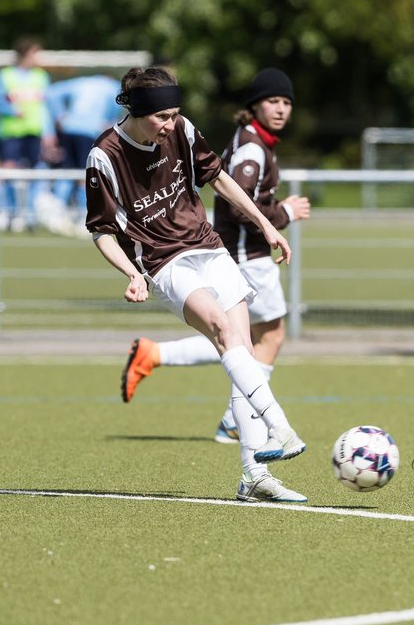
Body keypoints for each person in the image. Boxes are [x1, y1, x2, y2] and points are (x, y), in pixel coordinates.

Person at [86, 66, 308, 504]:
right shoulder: (104, 156)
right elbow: (101, 230)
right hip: (163, 262)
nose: (169, 125)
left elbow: (219, 178)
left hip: (210, 247)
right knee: (223, 331)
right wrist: (131, 273)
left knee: (241, 351)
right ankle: (280, 425)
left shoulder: (182, 130)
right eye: (161, 118)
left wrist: (268, 225)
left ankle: (254, 476)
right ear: (136, 111)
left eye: (174, 115)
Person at [0, 37, 54, 231]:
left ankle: (28, 213)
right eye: (36, 53)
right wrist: (13, 110)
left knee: (35, 172)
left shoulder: (41, 77)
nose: (38, 58)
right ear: (26, 54)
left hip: (33, 131)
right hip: (11, 131)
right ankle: (9, 212)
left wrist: (49, 132)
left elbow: (45, 107)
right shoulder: (6, 75)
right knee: (8, 171)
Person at [46, 74, 123, 225]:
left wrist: (60, 116)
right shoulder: (113, 87)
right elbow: (116, 111)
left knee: (66, 171)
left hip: (68, 129)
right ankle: (83, 215)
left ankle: (56, 213)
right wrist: (107, 123)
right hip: (88, 131)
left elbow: (52, 92)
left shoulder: (81, 81)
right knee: (85, 173)